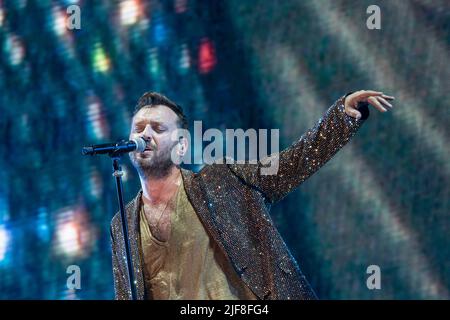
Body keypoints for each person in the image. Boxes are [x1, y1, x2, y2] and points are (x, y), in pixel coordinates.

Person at [110, 90, 395, 300]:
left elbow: (292, 165)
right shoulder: (121, 226)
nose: (145, 134)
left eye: (158, 128)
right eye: (138, 129)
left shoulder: (222, 179)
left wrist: (341, 117)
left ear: (182, 146)